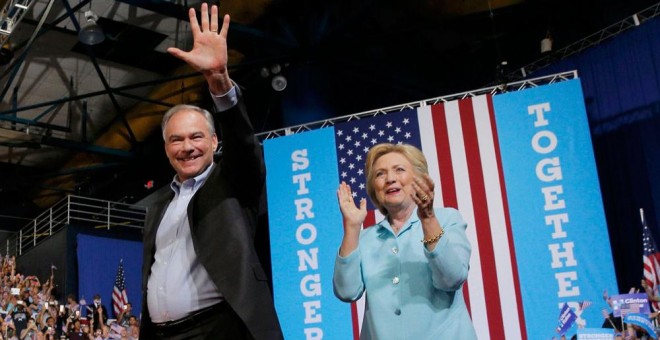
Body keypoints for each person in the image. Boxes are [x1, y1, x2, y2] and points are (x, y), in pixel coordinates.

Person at [139, 2, 283, 340]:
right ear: (165, 148)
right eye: (176, 139)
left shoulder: (233, 181)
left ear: (215, 141)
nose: (186, 146)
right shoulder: (157, 204)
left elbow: (245, 145)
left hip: (220, 330)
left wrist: (218, 81)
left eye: (196, 137)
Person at [333, 143, 477, 339]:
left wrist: (427, 218)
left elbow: (451, 279)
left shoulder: (447, 219)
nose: (390, 179)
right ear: (374, 189)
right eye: (380, 174)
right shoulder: (365, 238)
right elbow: (346, 292)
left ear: (419, 179)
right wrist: (352, 226)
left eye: (399, 170)